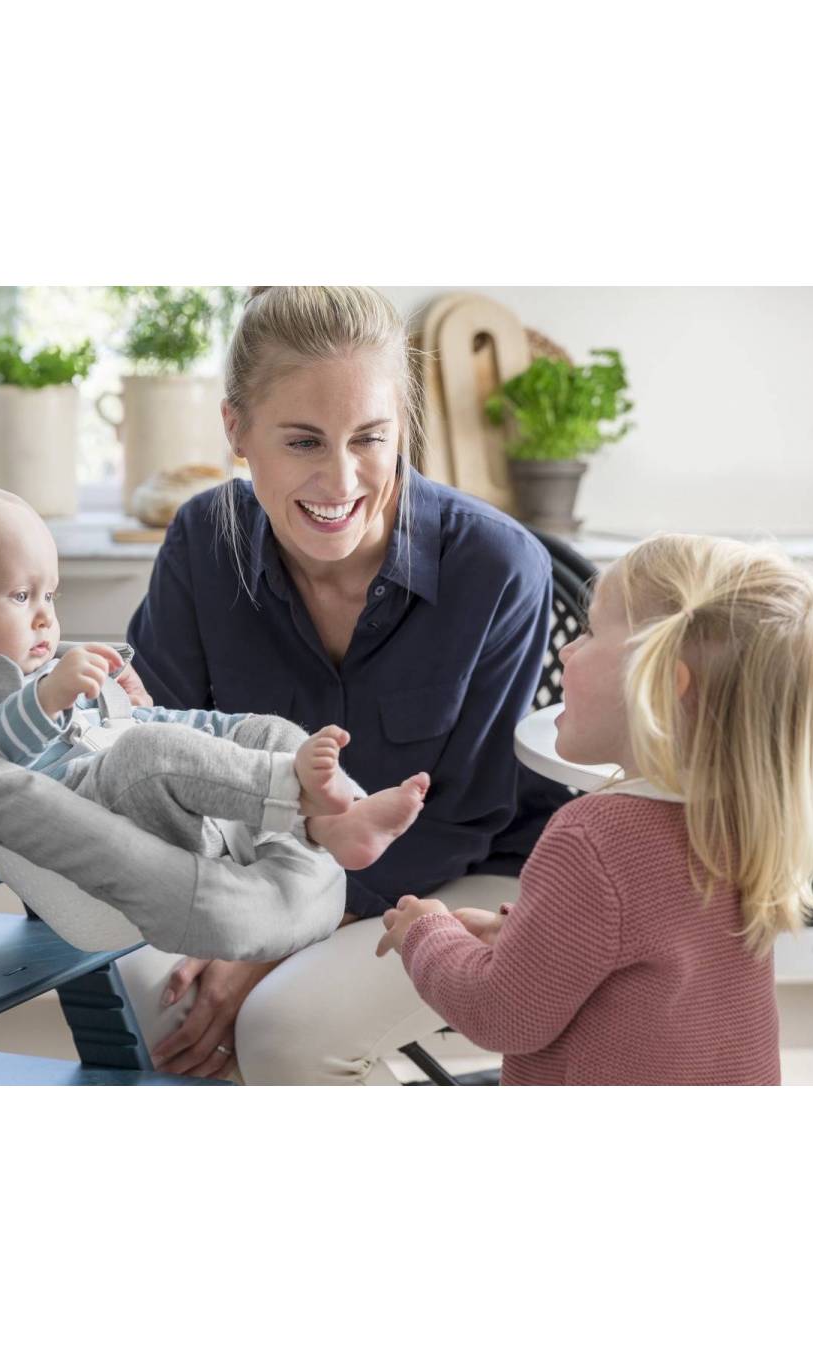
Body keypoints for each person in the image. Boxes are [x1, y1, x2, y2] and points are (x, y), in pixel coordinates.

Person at [122, 286, 564, 1083]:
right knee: (154, 997)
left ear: (403, 428)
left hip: (459, 873)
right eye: (303, 441)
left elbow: (463, 816)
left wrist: (274, 939)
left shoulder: (497, 566)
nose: (340, 480)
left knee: (285, 1031)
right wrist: (244, 914)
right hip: (259, 871)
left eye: (369, 438)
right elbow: (159, 759)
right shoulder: (200, 543)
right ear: (237, 430)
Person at [0, 485, 432, 952]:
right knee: (149, 751)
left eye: (51, 595)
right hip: (96, 811)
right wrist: (45, 700)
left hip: (172, 795)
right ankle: (301, 800)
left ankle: (337, 818)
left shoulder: (52, 673)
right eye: (22, 596)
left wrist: (221, 730)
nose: (46, 617)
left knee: (266, 731)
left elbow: (155, 722)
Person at [378, 534, 813, 1085]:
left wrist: (426, 933)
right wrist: (524, 939)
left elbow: (502, 1015)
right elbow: (647, 951)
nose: (567, 650)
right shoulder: (750, 817)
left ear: (659, 684)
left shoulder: (594, 838)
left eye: (589, 632)